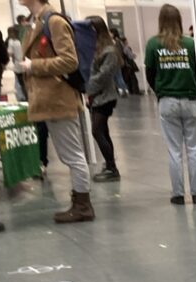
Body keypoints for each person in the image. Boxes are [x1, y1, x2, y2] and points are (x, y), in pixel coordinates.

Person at [21, 0, 95, 223]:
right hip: (50, 100)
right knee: (69, 155)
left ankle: (83, 205)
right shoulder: (38, 22)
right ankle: (80, 202)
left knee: (73, 155)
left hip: (59, 99)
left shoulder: (53, 21)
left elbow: (70, 61)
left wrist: (34, 66)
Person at [145, 4, 196, 205]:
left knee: (174, 151)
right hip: (191, 101)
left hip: (167, 101)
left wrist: (160, 90)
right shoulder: (191, 44)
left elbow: (150, 74)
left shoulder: (153, 44)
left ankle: (178, 194)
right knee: (193, 150)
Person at [86, 16, 121, 182]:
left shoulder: (109, 51)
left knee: (97, 131)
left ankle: (112, 167)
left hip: (105, 96)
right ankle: (110, 164)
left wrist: (87, 87)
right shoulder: (97, 49)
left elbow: (103, 75)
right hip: (97, 96)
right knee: (103, 131)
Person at [6, 26, 25, 101]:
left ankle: (21, 97)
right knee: (24, 81)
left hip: (17, 64)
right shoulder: (22, 40)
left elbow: (10, 53)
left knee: (19, 82)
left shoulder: (11, 41)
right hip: (25, 63)